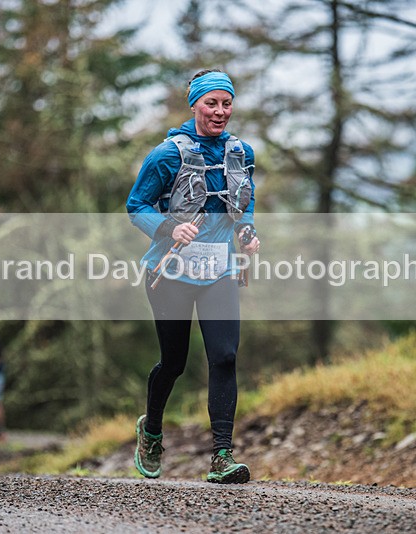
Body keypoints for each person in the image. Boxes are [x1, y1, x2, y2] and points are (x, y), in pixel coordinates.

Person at [126, 69, 261, 484]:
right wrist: (169, 227)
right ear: (195, 105)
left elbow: (245, 201)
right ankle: (151, 432)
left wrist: (246, 231)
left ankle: (222, 455)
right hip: (170, 271)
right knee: (175, 362)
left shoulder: (242, 152)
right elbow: (136, 205)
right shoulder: (167, 154)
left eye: (226, 103)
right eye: (211, 103)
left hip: (219, 268)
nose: (220, 111)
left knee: (225, 356)